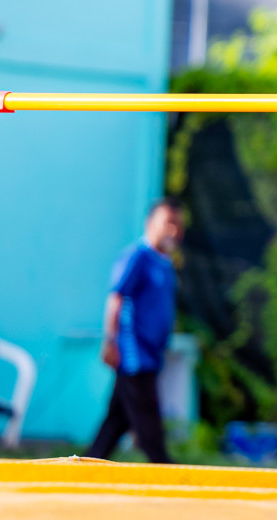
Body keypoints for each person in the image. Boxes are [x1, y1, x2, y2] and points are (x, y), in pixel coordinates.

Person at [84, 197, 183, 463]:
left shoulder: (164, 263)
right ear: (150, 223)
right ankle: (165, 472)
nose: (173, 231)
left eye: (177, 224)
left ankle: (86, 465)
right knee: (148, 422)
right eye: (167, 223)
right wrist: (110, 342)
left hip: (152, 355)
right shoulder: (136, 256)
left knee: (117, 420)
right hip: (133, 354)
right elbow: (116, 298)